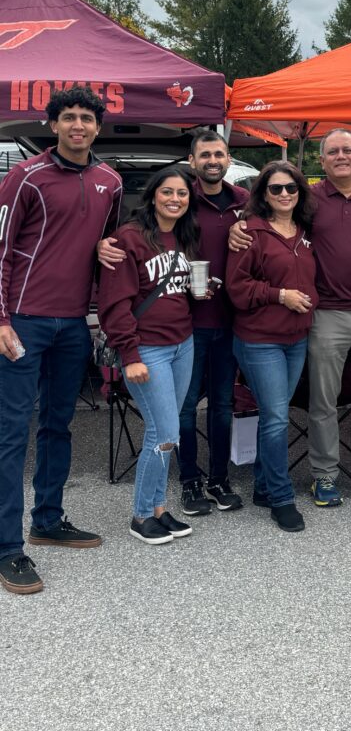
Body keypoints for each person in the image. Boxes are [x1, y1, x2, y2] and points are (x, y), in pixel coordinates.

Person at [231, 131, 351, 508]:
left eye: (347, 150)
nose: (341, 156)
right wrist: (236, 227)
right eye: (332, 151)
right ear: (322, 161)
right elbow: (268, 214)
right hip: (323, 315)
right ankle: (324, 477)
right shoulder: (309, 198)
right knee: (323, 400)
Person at [0, 87, 122, 596]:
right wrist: (1, 320)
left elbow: (107, 249)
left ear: (97, 126)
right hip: (23, 322)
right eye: (68, 117)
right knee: (11, 433)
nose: (78, 125)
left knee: (58, 424)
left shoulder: (110, 181)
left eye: (86, 118)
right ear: (53, 125)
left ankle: (47, 518)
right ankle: (7, 547)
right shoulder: (24, 177)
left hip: (74, 323)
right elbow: (1, 251)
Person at [98, 167, 198, 546]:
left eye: (183, 194)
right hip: (148, 350)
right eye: (168, 192)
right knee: (164, 432)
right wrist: (130, 353)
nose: (175, 199)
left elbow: (174, 287)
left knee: (166, 432)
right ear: (153, 195)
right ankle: (141, 514)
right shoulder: (129, 237)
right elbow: (114, 302)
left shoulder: (185, 236)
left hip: (182, 344)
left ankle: (158, 508)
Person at [227, 162, 317, 533]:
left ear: (300, 192)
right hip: (259, 339)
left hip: (297, 338)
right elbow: (237, 288)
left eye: (291, 188)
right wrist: (279, 295)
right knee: (278, 417)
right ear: (263, 193)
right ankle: (281, 497)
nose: (284, 194)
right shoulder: (249, 232)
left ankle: (264, 486)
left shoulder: (305, 231)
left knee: (273, 416)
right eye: (276, 189)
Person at [178, 129, 249, 517]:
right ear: (193, 161)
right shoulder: (180, 198)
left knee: (222, 404)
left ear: (228, 159)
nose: (212, 160)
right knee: (186, 406)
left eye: (219, 154)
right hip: (186, 323)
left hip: (231, 320)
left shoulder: (245, 202)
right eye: (205, 154)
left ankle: (219, 478)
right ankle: (189, 480)